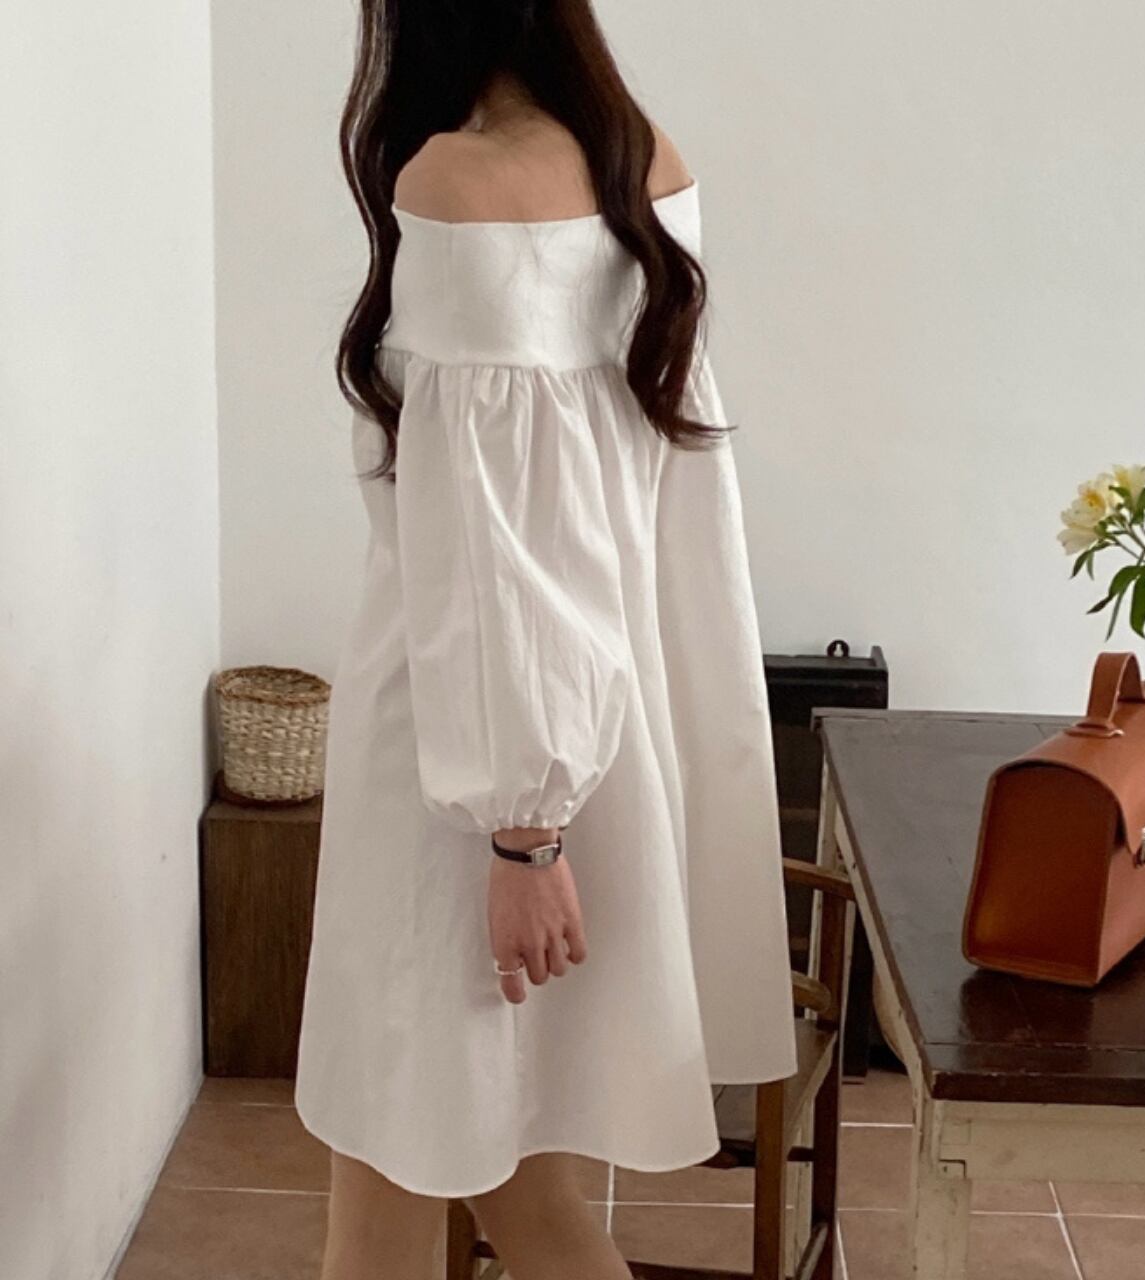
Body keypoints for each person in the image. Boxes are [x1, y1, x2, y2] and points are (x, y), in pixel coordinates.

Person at [293, 3, 797, 1277]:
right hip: (582, 737)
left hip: (466, 772)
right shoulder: (643, 162)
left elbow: (498, 559)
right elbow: (635, 531)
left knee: (426, 1151)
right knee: (469, 1167)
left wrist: (523, 825)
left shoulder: (459, 184)